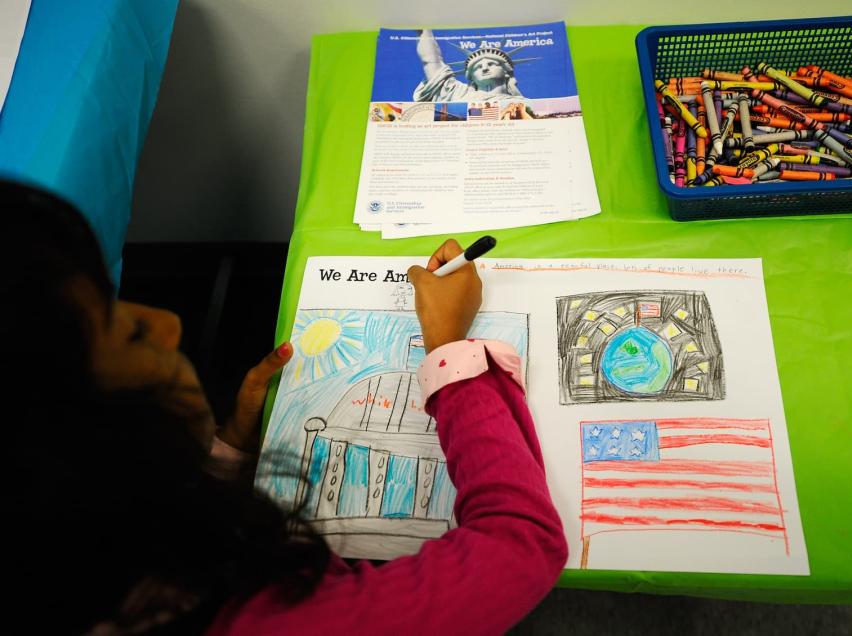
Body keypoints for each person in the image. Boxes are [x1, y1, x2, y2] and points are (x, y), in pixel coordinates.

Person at [5, 179, 567, 634]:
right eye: (125, 334)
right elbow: (519, 547)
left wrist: (226, 453)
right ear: (73, 450)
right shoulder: (277, 620)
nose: (170, 323)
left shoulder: (78, 552)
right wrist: (447, 349)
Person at [413, 29, 526, 102]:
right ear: (472, 78)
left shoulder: (523, 104)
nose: (485, 68)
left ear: (506, 71)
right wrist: (424, 31)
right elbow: (431, 61)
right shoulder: (457, 93)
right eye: (478, 67)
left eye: (491, 64)